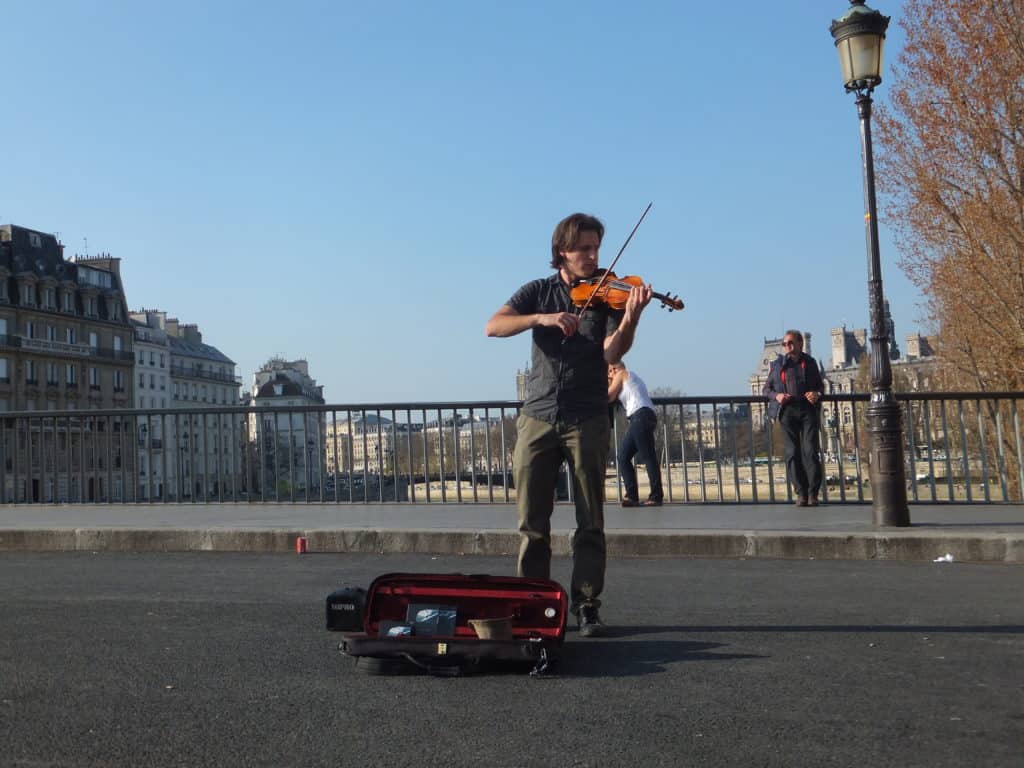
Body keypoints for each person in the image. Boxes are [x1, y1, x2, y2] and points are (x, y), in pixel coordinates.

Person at [484, 212, 652, 637]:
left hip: (588, 416)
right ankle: (531, 604)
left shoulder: (608, 294)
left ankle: (587, 604)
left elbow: (613, 353)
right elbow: (493, 326)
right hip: (537, 416)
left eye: (597, 248)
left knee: (590, 520)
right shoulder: (539, 291)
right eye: (585, 250)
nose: (593, 257)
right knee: (532, 523)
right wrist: (541, 318)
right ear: (563, 251)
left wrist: (630, 318)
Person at [762, 330, 825, 507]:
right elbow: (766, 390)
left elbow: (820, 386)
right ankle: (801, 493)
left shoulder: (810, 363)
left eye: (790, 343)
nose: (787, 346)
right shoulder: (777, 365)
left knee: (811, 452)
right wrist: (777, 396)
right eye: (784, 344)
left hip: (807, 410)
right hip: (787, 411)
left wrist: (817, 393)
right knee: (792, 453)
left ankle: (813, 493)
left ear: (800, 344)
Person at [607, 362, 663, 507]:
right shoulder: (631, 378)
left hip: (641, 415)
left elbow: (608, 396)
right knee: (623, 457)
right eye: (609, 370)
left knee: (648, 456)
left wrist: (608, 381)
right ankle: (632, 496)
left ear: (622, 368)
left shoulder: (623, 374)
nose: (612, 372)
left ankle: (656, 496)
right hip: (641, 417)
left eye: (614, 368)